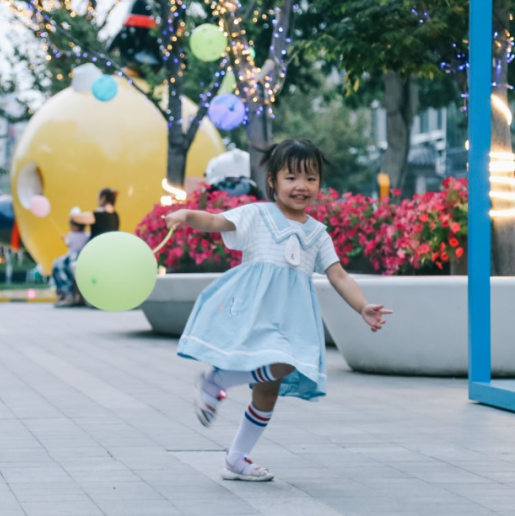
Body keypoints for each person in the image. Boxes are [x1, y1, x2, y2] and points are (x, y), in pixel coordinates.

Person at [165, 139, 391, 482]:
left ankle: (237, 458)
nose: (301, 186)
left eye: (311, 178)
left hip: (290, 317)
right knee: (283, 365)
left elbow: (338, 275)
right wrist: (186, 215)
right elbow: (215, 222)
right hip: (256, 310)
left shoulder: (317, 233)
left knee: (268, 390)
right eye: (291, 178)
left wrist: (363, 306)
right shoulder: (256, 215)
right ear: (272, 180)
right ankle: (216, 381)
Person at [52, 215, 90, 307]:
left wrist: (64, 238)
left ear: (76, 226)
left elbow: (68, 243)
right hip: (80, 258)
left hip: (71, 258)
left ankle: (67, 294)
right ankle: (78, 298)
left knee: (58, 266)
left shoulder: (72, 235)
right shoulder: (87, 235)